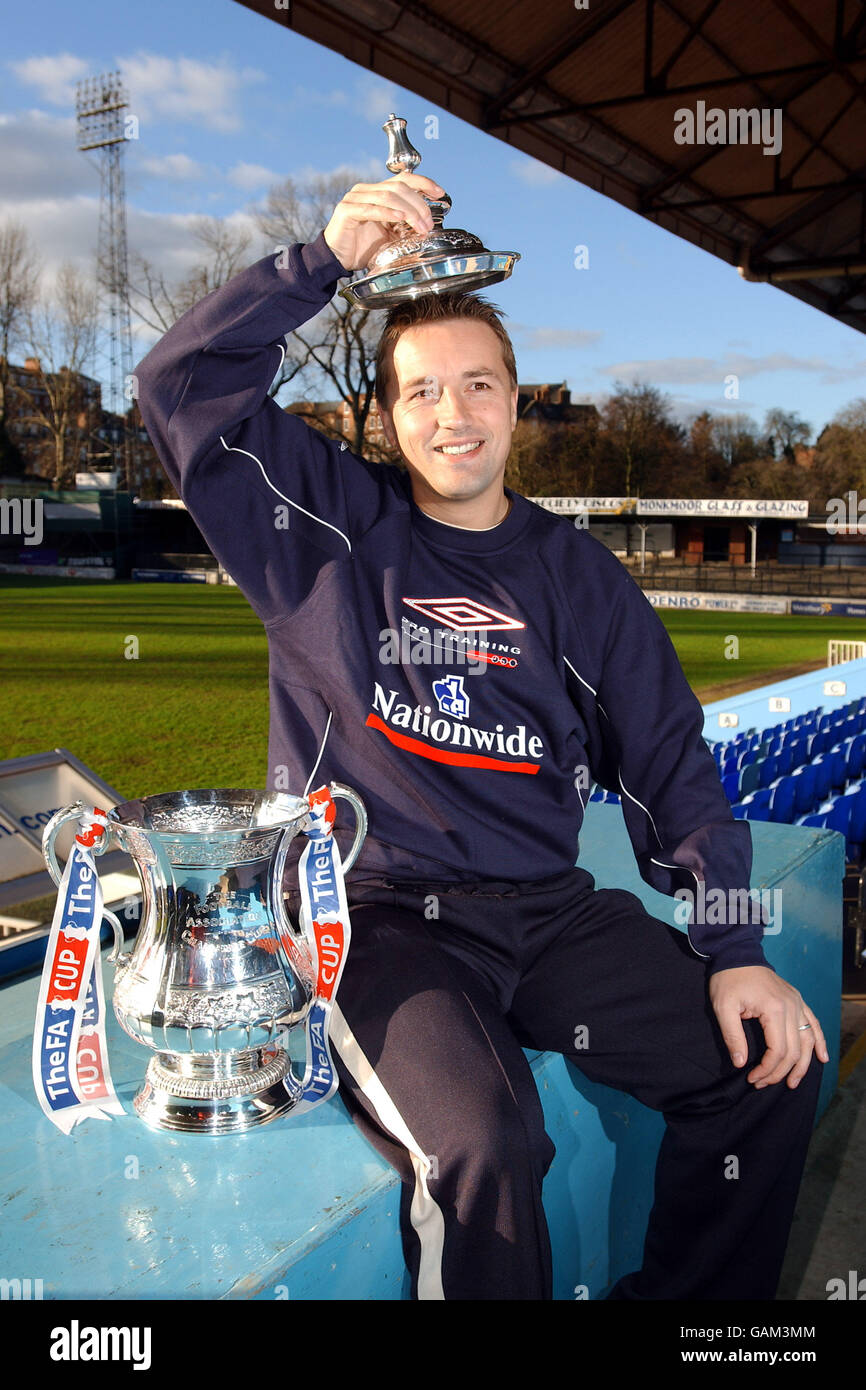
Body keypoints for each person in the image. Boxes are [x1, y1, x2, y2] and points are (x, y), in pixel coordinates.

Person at [134, 171, 828, 1301]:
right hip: (383, 918)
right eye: (419, 394)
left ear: (514, 401)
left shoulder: (579, 581)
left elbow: (672, 773)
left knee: (769, 1072)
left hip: (544, 911)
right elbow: (178, 383)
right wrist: (323, 257)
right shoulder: (316, 526)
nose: (450, 415)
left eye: (476, 386)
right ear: (384, 416)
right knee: (485, 1147)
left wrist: (735, 952)